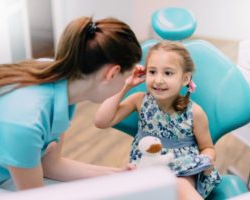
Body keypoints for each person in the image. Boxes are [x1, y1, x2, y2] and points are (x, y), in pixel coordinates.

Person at [0, 16, 142, 190]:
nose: (126, 82)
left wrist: (118, 175)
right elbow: (34, 196)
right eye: (126, 77)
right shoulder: (26, 121)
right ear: (112, 74)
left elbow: (52, 165)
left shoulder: (55, 76)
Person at [94, 41, 221, 199]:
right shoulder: (139, 101)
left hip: (183, 169)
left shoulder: (195, 112)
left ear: (185, 78)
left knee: (177, 186)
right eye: (152, 72)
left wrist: (207, 159)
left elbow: (208, 147)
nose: (158, 80)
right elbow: (101, 121)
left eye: (168, 73)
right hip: (147, 166)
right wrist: (125, 87)